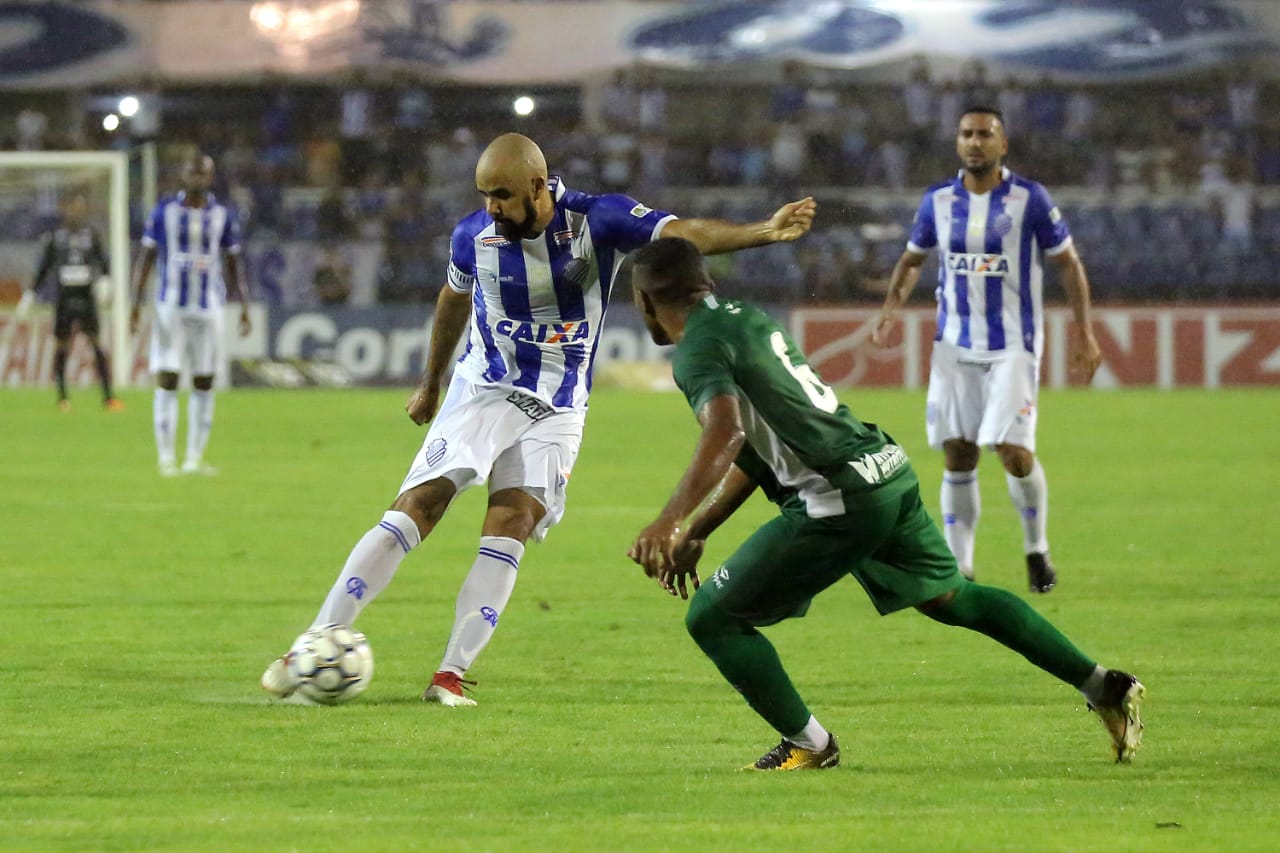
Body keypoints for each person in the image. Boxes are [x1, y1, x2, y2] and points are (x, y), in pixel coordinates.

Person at [260, 132, 817, 706]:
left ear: (536, 185)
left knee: (513, 523)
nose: (491, 207)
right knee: (422, 502)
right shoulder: (471, 237)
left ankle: (449, 675)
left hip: (559, 403)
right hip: (484, 387)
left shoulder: (599, 220)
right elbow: (452, 301)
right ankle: (312, 642)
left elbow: (682, 235)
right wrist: (432, 383)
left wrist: (762, 232)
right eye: (484, 195)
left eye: (501, 195)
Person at [625, 236, 1143, 771]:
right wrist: (700, 526)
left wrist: (669, 520)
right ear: (704, 283)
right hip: (885, 470)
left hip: (837, 498)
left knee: (712, 618)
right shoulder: (749, 319)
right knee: (952, 597)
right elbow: (761, 445)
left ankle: (811, 744)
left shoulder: (696, 349)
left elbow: (726, 431)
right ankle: (1102, 684)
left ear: (643, 302)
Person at [870, 106, 1101, 592]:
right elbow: (912, 260)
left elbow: (1069, 265)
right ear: (957, 142)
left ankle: (1036, 549)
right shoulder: (937, 201)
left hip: (1012, 348)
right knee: (958, 452)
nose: (975, 142)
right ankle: (961, 569)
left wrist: (1085, 332)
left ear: (1003, 144)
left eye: (985, 134)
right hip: (953, 346)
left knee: (1012, 452)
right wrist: (891, 308)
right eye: (967, 134)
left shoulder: (1030, 199)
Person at [129, 152, 252, 477]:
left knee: (204, 380)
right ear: (181, 174)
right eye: (191, 172)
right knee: (168, 377)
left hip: (209, 306)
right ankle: (167, 458)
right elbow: (146, 257)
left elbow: (233, 262)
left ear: (210, 177)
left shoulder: (223, 216)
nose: (197, 178)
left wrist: (244, 305)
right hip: (171, 306)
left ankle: (194, 458)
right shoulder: (164, 212)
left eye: (203, 173)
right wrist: (134, 303)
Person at [18, 192, 122, 411]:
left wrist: (105, 281)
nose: (77, 210)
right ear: (64, 209)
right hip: (64, 298)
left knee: (96, 344)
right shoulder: (55, 237)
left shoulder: (91, 235)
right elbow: (43, 268)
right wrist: (30, 295)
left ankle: (108, 397)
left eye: (80, 206)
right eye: (73, 206)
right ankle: (63, 397)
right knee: (62, 346)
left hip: (86, 297)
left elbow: (103, 263)